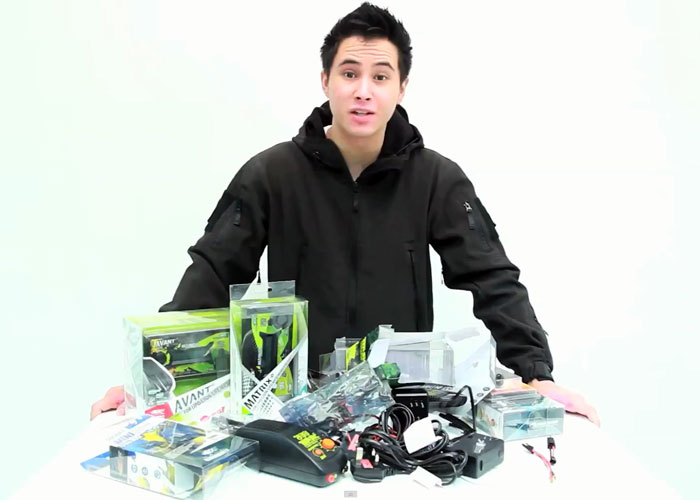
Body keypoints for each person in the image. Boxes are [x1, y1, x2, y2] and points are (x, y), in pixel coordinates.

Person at [91, 3, 599, 425]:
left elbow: (492, 277)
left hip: (400, 406)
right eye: (350, 74)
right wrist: (148, 377)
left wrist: (536, 373)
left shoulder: (436, 179)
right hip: (293, 405)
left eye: (381, 76)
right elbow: (212, 272)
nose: (363, 91)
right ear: (326, 81)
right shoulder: (272, 174)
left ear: (401, 88)